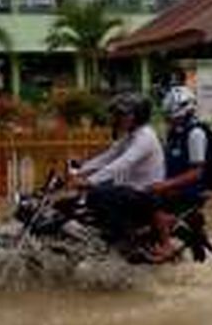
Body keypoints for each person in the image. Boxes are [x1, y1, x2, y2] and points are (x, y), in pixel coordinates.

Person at [70, 93, 165, 240]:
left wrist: (90, 181)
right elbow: (109, 156)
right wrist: (81, 171)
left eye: (122, 114)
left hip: (145, 192)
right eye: (118, 114)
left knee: (97, 194)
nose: (118, 118)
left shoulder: (145, 137)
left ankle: (128, 236)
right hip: (131, 187)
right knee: (96, 192)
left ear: (137, 115)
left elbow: (122, 163)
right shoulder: (131, 135)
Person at [148, 86, 209, 261]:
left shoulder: (196, 134)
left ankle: (166, 246)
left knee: (151, 204)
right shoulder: (174, 133)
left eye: (172, 116)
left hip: (187, 191)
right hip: (172, 187)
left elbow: (196, 172)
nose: (169, 119)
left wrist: (164, 185)